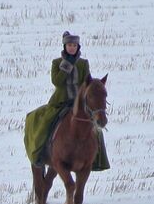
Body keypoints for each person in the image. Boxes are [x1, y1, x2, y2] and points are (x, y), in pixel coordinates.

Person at [23, 32, 109, 170]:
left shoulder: (83, 63)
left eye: (74, 45)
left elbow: (86, 83)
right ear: (65, 46)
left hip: (78, 104)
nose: (72, 48)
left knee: (96, 130)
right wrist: (67, 65)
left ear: (78, 47)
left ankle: (97, 161)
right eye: (69, 45)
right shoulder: (57, 63)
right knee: (46, 124)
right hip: (60, 102)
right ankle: (39, 154)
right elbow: (57, 81)